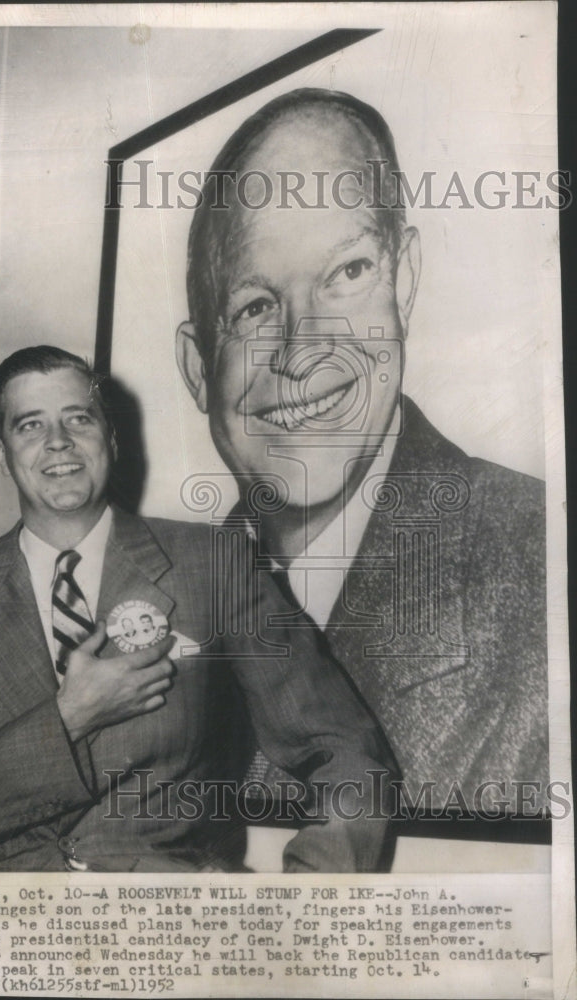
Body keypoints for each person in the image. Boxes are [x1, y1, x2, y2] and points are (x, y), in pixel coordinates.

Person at [0, 345, 395, 873]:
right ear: (2, 453)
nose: (58, 442)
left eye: (78, 418)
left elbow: (346, 752)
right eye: (29, 425)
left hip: (169, 936)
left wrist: (306, 908)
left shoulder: (214, 564)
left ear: (111, 437)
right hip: (6, 939)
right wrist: (67, 718)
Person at [176, 89, 548, 818]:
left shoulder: (539, 560)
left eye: (346, 274)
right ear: (198, 369)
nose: (302, 351)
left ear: (403, 281)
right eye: (253, 307)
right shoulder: (150, 599)